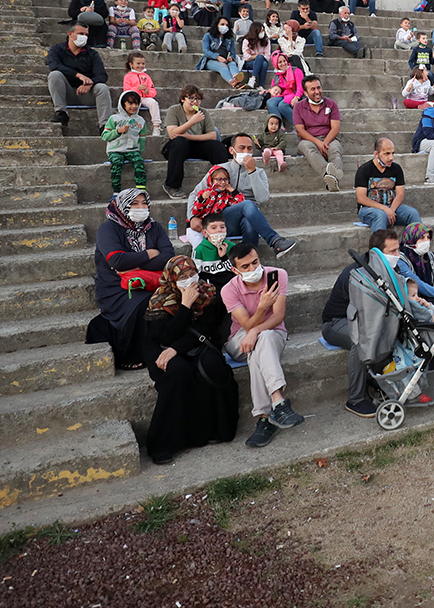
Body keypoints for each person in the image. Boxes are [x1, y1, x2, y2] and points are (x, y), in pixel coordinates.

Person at [141, 256, 237, 465]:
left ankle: (216, 430)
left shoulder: (207, 294)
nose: (189, 279)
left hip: (195, 344)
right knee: (179, 372)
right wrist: (185, 306)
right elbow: (166, 337)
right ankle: (163, 444)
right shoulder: (160, 301)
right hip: (162, 349)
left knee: (213, 365)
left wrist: (178, 348)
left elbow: (206, 327)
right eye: (182, 276)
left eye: (192, 273)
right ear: (172, 278)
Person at [218, 244, 304, 447]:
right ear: (235, 270)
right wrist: (262, 306)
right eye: (245, 266)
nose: (252, 269)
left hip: (273, 332)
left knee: (261, 340)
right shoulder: (229, 289)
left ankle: (264, 418)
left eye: (255, 262)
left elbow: (278, 316)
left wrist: (256, 331)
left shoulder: (277, 275)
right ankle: (279, 404)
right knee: (258, 340)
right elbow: (246, 325)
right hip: (239, 338)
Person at [89, 189, 173, 369]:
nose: (140, 208)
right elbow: (117, 261)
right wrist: (150, 253)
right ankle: (132, 354)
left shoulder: (154, 227)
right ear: (121, 206)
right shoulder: (108, 229)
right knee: (143, 303)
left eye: (144, 203)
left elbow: (168, 256)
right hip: (115, 286)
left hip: (149, 279)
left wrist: (136, 266)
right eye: (134, 204)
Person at [187, 132, 298, 256]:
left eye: (249, 148)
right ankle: (275, 241)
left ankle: (248, 260)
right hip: (222, 218)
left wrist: (252, 171)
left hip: (249, 219)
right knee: (247, 204)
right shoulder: (220, 170)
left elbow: (262, 198)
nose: (246, 151)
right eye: (241, 148)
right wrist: (192, 217)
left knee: (249, 221)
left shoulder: (259, 172)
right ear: (231, 150)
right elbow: (194, 193)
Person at [162, 85, 229, 196]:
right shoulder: (174, 110)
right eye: (191, 98)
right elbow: (172, 133)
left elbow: (212, 135)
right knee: (180, 142)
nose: (195, 102)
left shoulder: (203, 113)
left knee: (217, 146)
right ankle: (172, 186)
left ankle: (223, 183)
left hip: (195, 144)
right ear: (183, 99)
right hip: (174, 147)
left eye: (198, 99)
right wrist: (192, 121)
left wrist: (188, 136)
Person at [46, 25, 114, 127]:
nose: (84, 37)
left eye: (86, 34)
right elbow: (54, 65)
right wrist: (77, 75)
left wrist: (89, 84)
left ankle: (105, 126)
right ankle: (61, 113)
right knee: (54, 75)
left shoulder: (92, 53)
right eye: (81, 34)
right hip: (66, 92)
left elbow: (102, 75)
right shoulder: (57, 49)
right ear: (70, 34)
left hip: (87, 94)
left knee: (102, 88)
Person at [356, 137, 422, 233]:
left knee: (412, 213)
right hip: (368, 210)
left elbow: (400, 194)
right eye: (387, 154)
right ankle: (378, 247)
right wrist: (385, 209)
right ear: (376, 154)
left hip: (392, 207)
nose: (391, 157)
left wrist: (391, 210)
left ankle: (417, 244)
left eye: (392, 153)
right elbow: (361, 198)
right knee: (381, 215)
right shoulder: (364, 170)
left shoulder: (396, 169)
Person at [294, 75, 343, 192]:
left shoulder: (331, 104)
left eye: (318, 88)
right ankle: (329, 174)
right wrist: (318, 143)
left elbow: (335, 128)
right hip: (308, 140)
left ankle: (332, 182)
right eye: (313, 89)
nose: (317, 92)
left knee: (335, 149)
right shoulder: (299, 107)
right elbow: (300, 130)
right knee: (308, 148)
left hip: (329, 138)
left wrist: (324, 143)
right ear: (305, 93)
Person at [103, 91, 149, 194]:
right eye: (130, 103)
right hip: (115, 150)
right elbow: (105, 136)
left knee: (139, 162)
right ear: (123, 104)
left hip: (132, 150)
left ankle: (141, 191)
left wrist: (138, 151)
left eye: (136, 103)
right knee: (116, 162)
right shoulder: (114, 119)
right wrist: (118, 131)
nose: (134, 106)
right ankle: (116, 192)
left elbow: (142, 138)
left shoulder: (140, 121)